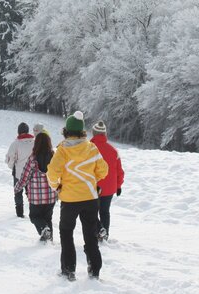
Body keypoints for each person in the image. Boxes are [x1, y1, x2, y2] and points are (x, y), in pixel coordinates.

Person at [46, 111, 108, 281]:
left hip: (69, 199)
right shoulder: (92, 148)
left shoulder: (62, 150)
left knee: (66, 233)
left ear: (66, 130)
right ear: (82, 131)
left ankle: (68, 270)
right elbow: (104, 170)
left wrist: (56, 186)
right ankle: (94, 271)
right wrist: (93, 180)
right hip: (90, 198)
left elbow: (52, 172)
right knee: (90, 234)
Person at [14, 132, 58, 242]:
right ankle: (49, 240)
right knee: (48, 218)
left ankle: (44, 230)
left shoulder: (32, 159)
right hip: (51, 196)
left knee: (34, 217)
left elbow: (25, 176)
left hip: (36, 198)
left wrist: (17, 188)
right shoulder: (54, 158)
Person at [90, 121, 124, 242]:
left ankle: (99, 231)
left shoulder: (89, 148)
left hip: (93, 187)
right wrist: (119, 186)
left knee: (91, 212)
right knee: (105, 212)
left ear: (93, 133)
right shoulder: (113, 150)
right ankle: (105, 234)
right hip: (110, 188)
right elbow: (119, 170)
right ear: (105, 134)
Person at [5, 122, 34, 218]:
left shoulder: (15, 143)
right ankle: (33, 211)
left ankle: (20, 213)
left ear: (18, 131)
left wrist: (12, 166)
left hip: (19, 173)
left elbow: (9, 158)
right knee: (31, 193)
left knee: (18, 192)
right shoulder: (34, 142)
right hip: (31, 172)